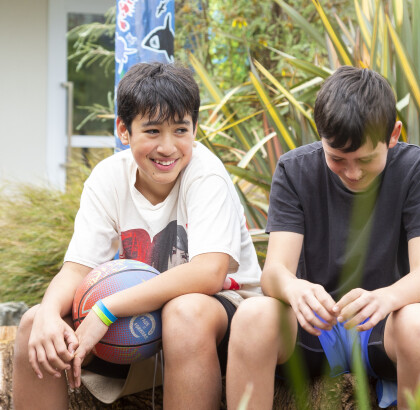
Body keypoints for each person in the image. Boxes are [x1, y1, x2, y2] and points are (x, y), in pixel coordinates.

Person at [13, 62, 262, 409]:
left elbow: (209, 273)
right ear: (124, 130)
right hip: (138, 323)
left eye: (180, 130)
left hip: (220, 315)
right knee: (33, 327)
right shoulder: (108, 178)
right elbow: (77, 269)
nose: (167, 147)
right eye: (152, 131)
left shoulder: (207, 176)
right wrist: (48, 315)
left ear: (195, 129)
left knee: (184, 313)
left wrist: (106, 310)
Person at [227, 66, 420, 409]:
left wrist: (386, 298)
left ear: (393, 135)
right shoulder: (294, 170)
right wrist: (294, 288)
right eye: (337, 159)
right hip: (314, 328)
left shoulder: (419, 169)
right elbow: (274, 273)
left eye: (366, 159)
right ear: (322, 138)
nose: (353, 172)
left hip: (384, 327)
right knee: (252, 315)